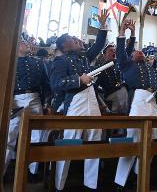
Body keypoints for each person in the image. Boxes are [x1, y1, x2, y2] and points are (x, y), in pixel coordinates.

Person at [50, 14, 108, 190]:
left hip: (91, 100)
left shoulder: (83, 57)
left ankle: (90, 184)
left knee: (94, 142)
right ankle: (59, 185)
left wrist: (103, 26)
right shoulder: (60, 60)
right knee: (70, 143)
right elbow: (56, 84)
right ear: (64, 46)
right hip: (75, 102)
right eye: (72, 39)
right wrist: (78, 80)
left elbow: (98, 46)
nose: (76, 40)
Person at [114, 19, 157, 190]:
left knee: (151, 139)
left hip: (153, 100)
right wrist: (125, 32)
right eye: (136, 51)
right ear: (130, 57)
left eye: (141, 51)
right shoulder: (126, 64)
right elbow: (120, 51)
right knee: (133, 139)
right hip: (138, 99)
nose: (140, 52)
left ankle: (138, 176)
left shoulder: (150, 67)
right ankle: (120, 181)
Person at [5, 35, 50, 180]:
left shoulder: (38, 62)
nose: (27, 44)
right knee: (9, 136)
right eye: (23, 42)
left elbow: (46, 84)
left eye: (26, 42)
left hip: (35, 98)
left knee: (37, 137)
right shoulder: (9, 61)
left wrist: (46, 103)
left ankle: (32, 172)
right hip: (15, 100)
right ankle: (3, 172)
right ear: (16, 45)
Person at [95, 44, 130, 114]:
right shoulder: (100, 69)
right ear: (104, 55)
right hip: (112, 98)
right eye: (111, 51)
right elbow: (95, 87)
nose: (114, 52)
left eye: (114, 51)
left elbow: (127, 53)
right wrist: (98, 104)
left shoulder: (120, 65)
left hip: (125, 94)